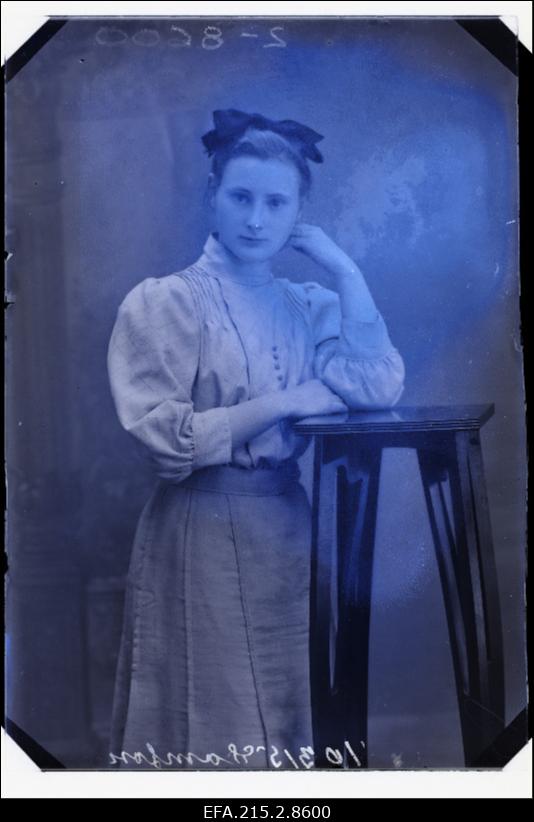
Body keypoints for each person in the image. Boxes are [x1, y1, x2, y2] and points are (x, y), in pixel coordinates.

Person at [106, 109, 405, 771]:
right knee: (213, 719)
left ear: (299, 213)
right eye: (241, 197)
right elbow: (168, 443)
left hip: (288, 531)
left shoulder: (308, 303)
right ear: (212, 195)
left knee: (291, 712)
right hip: (200, 530)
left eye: (276, 203)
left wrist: (346, 270)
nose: (256, 219)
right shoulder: (168, 302)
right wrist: (291, 400)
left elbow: (377, 382)